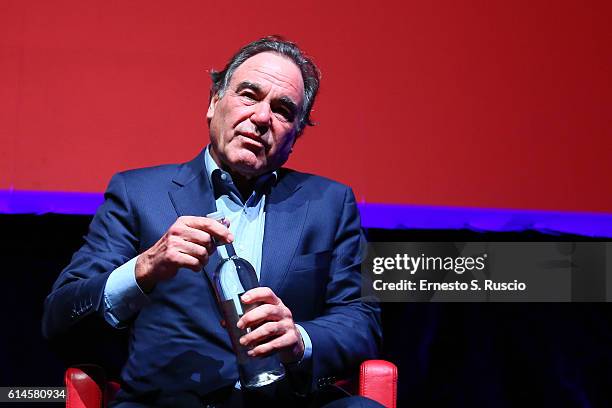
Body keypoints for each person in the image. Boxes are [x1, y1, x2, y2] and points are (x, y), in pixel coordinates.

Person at [42, 36, 382, 407]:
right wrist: (143, 268)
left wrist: (299, 338)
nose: (262, 117)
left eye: (283, 110)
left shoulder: (330, 203)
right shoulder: (138, 193)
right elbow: (60, 319)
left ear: (296, 134)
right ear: (213, 102)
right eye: (249, 95)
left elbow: (360, 320)